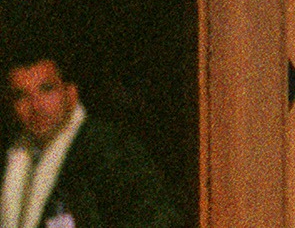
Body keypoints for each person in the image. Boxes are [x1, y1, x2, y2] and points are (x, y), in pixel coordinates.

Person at [2, 48, 181, 228]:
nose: (36, 106)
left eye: (46, 90)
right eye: (21, 96)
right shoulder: (13, 158)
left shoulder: (110, 150)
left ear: (71, 94)